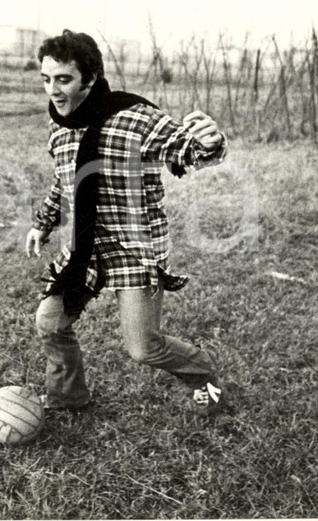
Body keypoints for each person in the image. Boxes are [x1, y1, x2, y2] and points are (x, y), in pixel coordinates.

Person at [25, 29, 228, 415]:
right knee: (50, 322)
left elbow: (186, 150)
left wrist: (210, 141)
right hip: (86, 248)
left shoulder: (135, 119)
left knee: (143, 347)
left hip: (134, 250)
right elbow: (64, 181)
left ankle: (204, 376)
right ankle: (68, 398)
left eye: (63, 79)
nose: (52, 89)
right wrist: (43, 223)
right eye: (46, 79)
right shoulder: (59, 127)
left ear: (90, 77)